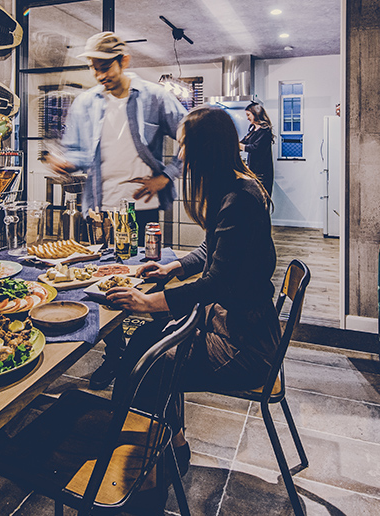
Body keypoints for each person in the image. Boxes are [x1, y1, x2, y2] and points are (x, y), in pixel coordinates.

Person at [107, 105, 280, 472]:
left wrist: (148, 302)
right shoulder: (236, 188)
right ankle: (161, 443)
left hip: (245, 346)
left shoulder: (238, 200)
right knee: (144, 343)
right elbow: (212, 250)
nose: (181, 154)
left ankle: (156, 454)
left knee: (148, 363)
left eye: (184, 144)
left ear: (205, 147)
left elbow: (216, 282)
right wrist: (174, 266)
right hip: (239, 325)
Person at [45, 31, 187, 389]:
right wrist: (65, 163)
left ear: (124, 60)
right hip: (100, 211)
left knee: (145, 279)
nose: (99, 75)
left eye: (105, 66)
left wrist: (167, 176)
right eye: (93, 68)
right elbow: (79, 154)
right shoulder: (85, 103)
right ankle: (114, 355)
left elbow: (192, 134)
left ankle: (147, 356)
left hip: (143, 208)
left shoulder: (155, 96)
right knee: (101, 286)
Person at [240, 101, 275, 195]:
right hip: (253, 171)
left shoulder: (265, 130)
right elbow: (243, 142)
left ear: (256, 113)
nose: (247, 118)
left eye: (248, 115)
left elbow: (255, 148)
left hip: (262, 174)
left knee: (262, 200)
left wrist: (239, 146)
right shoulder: (253, 129)